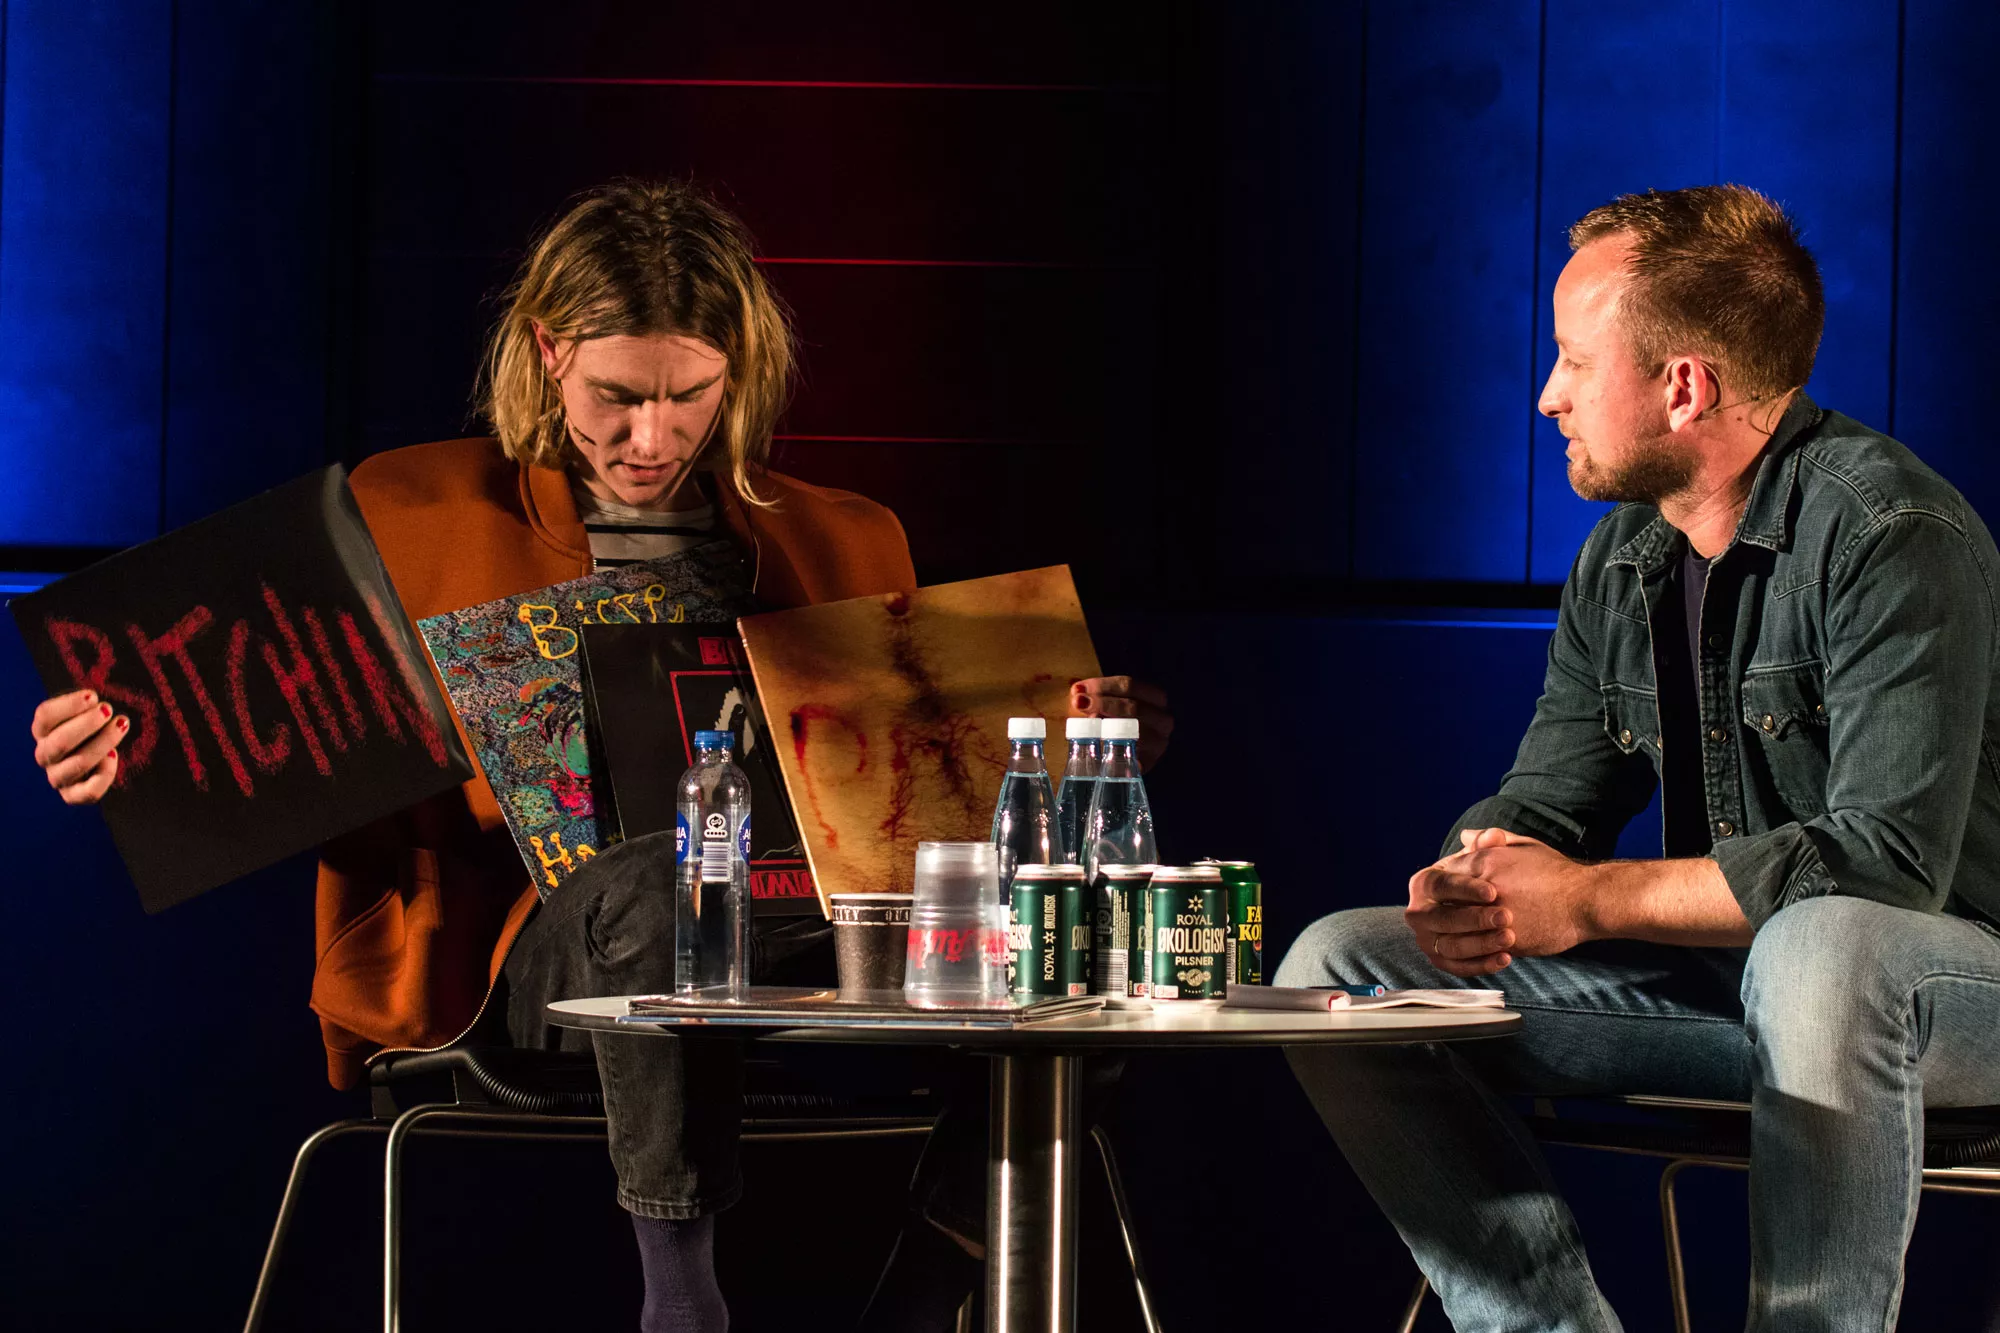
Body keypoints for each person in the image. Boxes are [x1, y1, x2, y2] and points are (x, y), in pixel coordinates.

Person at [28, 178, 1171, 1332]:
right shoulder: (413, 511)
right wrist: (128, 743)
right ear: (547, 352)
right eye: (615, 398)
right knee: (663, 874)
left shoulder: (845, 533)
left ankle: (928, 1285)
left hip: (805, 932)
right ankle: (682, 1304)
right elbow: (258, 710)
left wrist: (1089, 742)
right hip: (530, 949)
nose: (651, 438)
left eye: (689, 396)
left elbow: (917, 802)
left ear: (737, 368)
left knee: (1082, 925)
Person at [1275, 183, 2000, 1333]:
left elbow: (1881, 864)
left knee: (1820, 943)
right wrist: (1477, 879)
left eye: (1572, 360)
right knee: (1337, 967)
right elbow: (1546, 803)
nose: (1545, 393)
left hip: (1945, 991)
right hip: (1742, 989)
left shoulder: (1888, 535)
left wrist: (1583, 898)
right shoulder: (1621, 556)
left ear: (1683, 387)